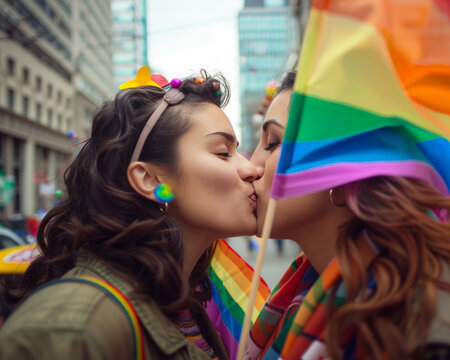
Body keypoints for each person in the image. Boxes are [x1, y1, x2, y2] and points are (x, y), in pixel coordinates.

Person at [247, 72, 450, 359]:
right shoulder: (300, 296)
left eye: (273, 142)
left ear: (341, 169)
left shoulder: (439, 329)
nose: (250, 166)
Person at [0, 68, 261, 359]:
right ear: (151, 180)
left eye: (237, 151)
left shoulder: (188, 308)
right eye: (223, 152)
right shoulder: (69, 330)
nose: (252, 168)